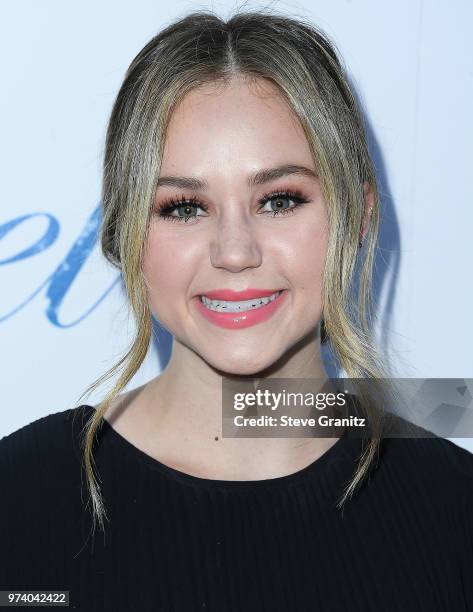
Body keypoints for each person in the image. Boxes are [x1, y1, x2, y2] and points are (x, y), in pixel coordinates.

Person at [1, 8, 472, 612]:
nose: (234, 251)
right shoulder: (18, 501)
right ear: (126, 234)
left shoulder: (454, 512)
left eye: (278, 200)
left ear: (358, 218)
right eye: (183, 207)